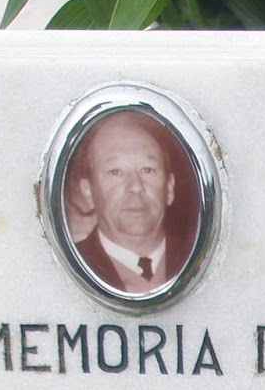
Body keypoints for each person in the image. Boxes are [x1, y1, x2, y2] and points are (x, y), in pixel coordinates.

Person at [69, 110, 192, 296]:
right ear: (88, 191)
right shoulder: (66, 271)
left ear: (169, 187)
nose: (136, 186)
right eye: (116, 172)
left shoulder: (201, 260)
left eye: (147, 170)